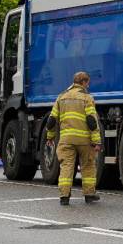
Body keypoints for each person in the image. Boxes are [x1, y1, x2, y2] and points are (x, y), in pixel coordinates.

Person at [46, 71, 101, 205]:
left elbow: (52, 119)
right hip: (84, 141)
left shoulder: (61, 97)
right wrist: (96, 141)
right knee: (88, 166)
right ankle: (89, 195)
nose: (88, 86)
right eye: (87, 83)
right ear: (83, 82)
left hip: (66, 140)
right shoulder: (87, 98)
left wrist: (50, 136)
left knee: (66, 167)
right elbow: (92, 121)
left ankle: (64, 196)